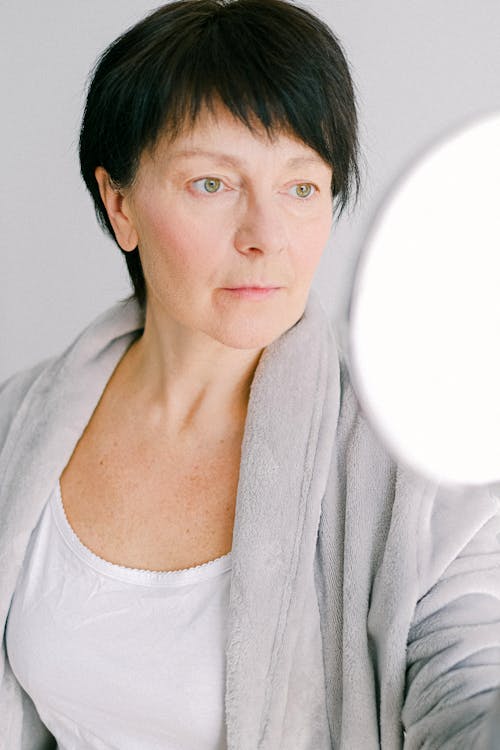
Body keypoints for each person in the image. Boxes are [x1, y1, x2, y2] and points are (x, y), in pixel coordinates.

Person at [1, 0, 499, 748]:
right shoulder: (17, 422)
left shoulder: (414, 464)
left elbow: (465, 691)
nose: (266, 236)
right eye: (212, 183)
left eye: (301, 188)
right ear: (120, 202)